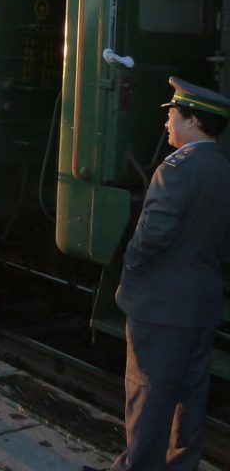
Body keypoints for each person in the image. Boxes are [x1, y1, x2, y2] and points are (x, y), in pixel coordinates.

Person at [84, 78, 230, 471]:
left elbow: (152, 236)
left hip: (161, 306)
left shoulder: (176, 170)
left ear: (194, 121)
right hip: (201, 302)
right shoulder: (221, 168)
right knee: (190, 395)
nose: (167, 118)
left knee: (149, 395)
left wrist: (129, 267)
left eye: (173, 112)